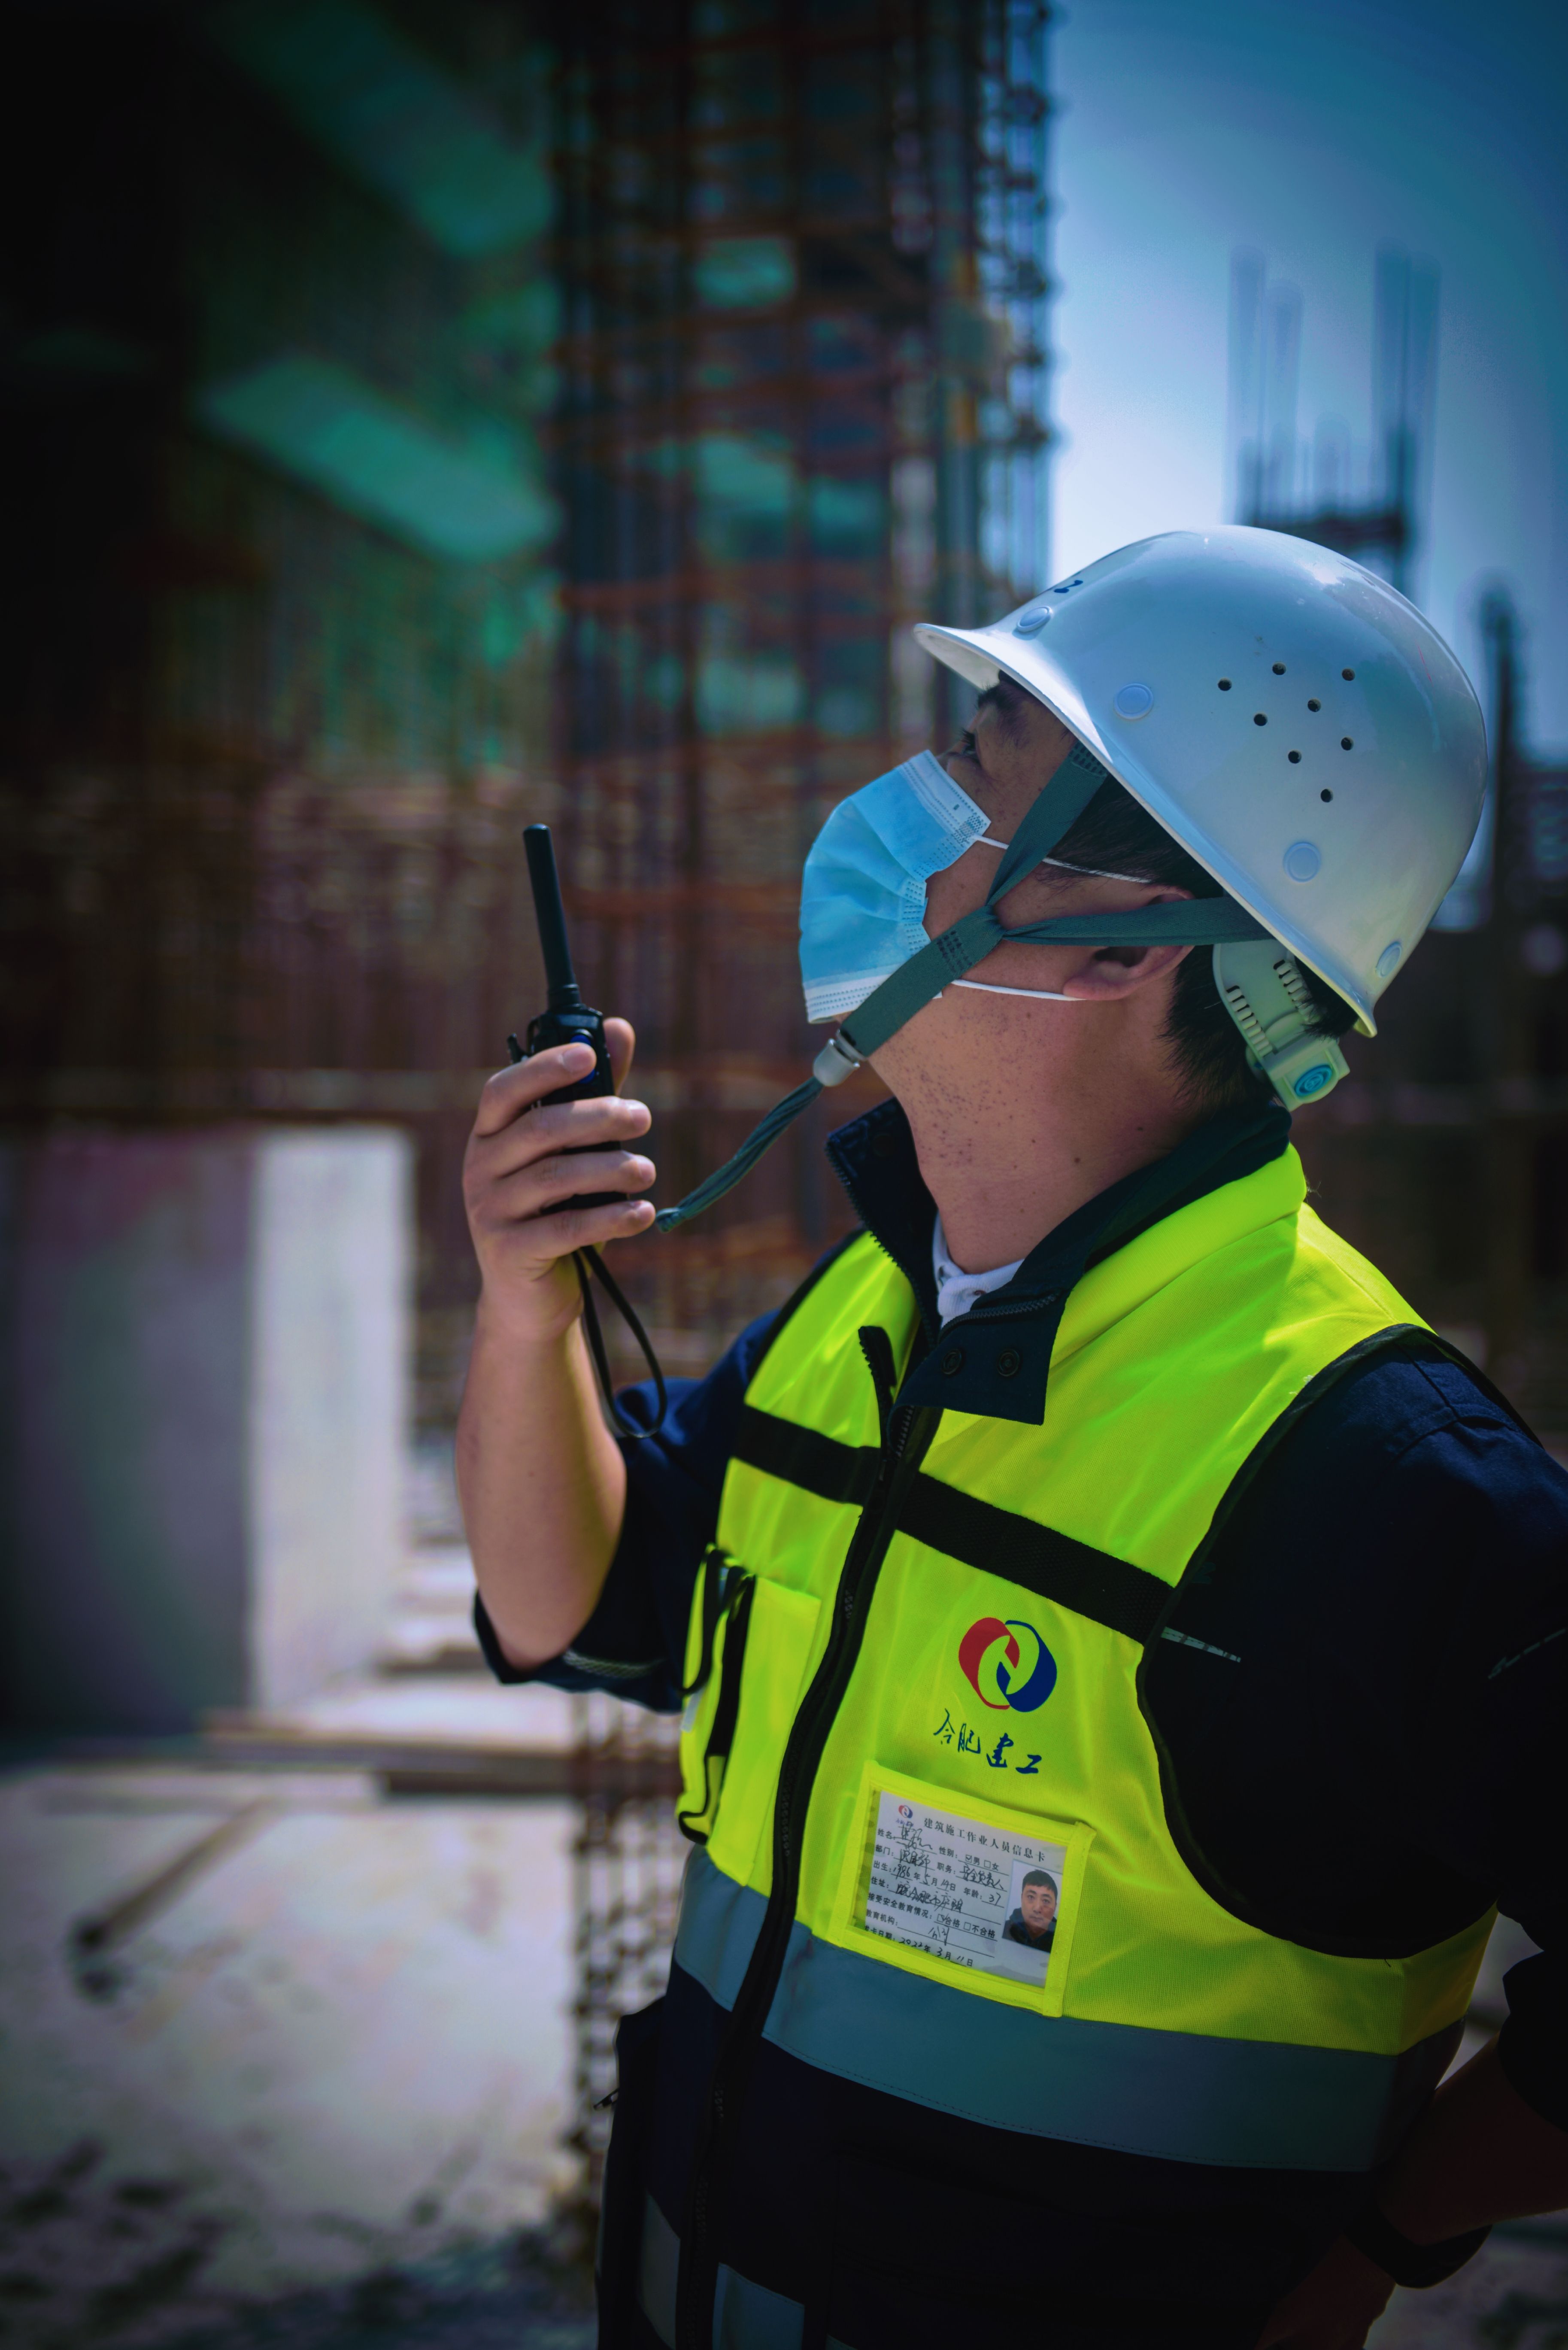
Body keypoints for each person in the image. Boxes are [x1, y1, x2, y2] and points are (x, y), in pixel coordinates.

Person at [457, 528, 1568, 2350]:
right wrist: (523, 1313)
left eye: (974, 773)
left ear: (1124, 937)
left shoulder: (1375, 1480)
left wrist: (1384, 2244)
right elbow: (564, 1601)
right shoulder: (863, 1313)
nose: (892, 812)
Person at [1004, 1869, 1057, 1952]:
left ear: (1055, 1907)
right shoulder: (1002, 1930)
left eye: (1046, 1901)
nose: (1037, 1909)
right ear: (1022, 1898)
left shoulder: (1062, 1942)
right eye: (1031, 1897)